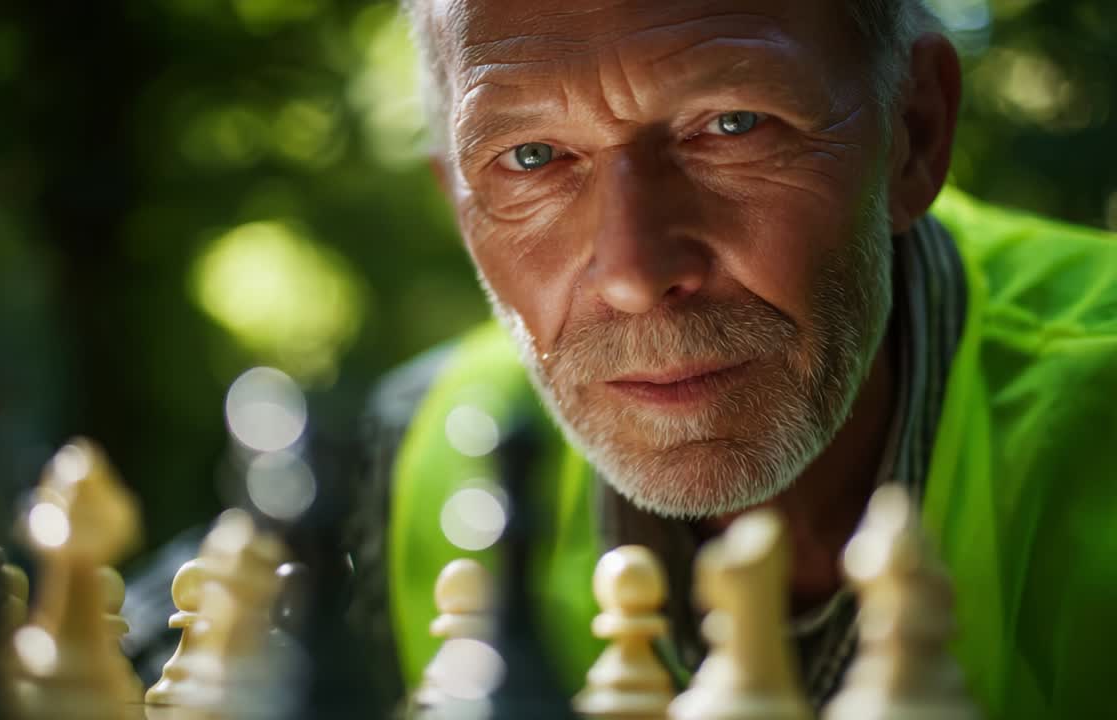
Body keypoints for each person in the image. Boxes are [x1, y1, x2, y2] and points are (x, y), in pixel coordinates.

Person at [351, 0, 1117, 717]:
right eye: (530, 156)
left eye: (732, 124)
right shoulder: (411, 451)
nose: (635, 274)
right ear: (457, 202)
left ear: (913, 134)